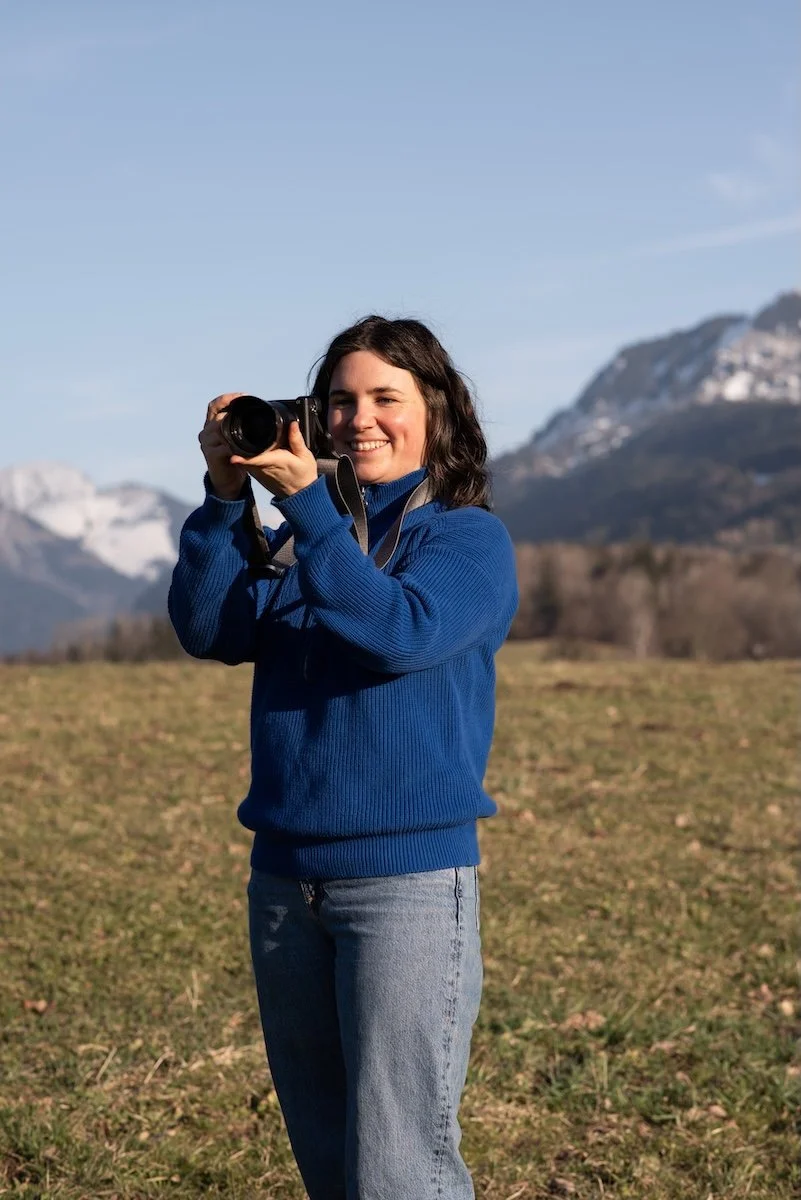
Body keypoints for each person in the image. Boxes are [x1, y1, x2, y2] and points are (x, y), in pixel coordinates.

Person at [168, 315, 518, 1199]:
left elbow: (395, 632)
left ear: (435, 414)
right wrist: (222, 501)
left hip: (403, 886)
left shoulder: (466, 540)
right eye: (340, 401)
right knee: (328, 1162)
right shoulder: (299, 537)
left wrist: (309, 511)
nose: (359, 419)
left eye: (384, 399)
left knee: (400, 1167)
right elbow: (211, 628)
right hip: (285, 884)